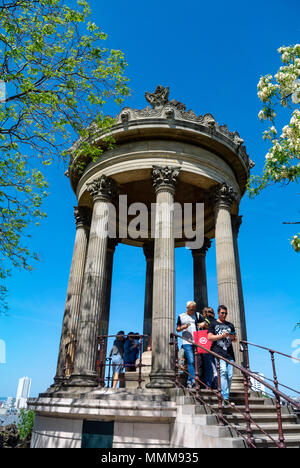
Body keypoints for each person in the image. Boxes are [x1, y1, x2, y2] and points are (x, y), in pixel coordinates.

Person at [207, 305, 237, 405]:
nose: (224, 315)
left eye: (225, 313)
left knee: (230, 375)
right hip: (218, 352)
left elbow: (234, 338)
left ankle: (226, 395)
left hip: (229, 353)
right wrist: (221, 336)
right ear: (218, 313)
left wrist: (233, 338)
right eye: (222, 313)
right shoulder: (213, 324)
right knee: (223, 372)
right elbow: (209, 337)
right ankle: (225, 398)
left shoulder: (230, 325)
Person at [176, 301, 206, 388]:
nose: (192, 311)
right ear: (187, 308)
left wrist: (203, 323)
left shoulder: (197, 315)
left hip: (197, 341)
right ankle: (191, 381)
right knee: (191, 360)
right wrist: (183, 327)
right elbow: (177, 329)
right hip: (187, 342)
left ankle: (195, 380)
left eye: (193, 309)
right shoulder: (181, 316)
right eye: (191, 309)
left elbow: (205, 323)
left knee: (197, 362)